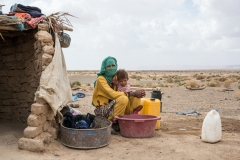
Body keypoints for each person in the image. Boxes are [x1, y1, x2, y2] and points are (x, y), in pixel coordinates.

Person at [92, 56, 146, 122]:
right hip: (103, 109)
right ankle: (111, 123)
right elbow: (112, 94)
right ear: (104, 68)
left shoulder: (115, 79)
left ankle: (129, 118)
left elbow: (122, 90)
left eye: (113, 66)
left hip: (114, 105)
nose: (111, 68)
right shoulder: (101, 79)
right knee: (123, 98)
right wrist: (133, 93)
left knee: (136, 98)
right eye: (109, 66)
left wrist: (137, 93)